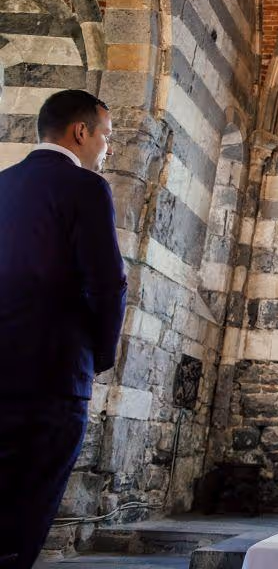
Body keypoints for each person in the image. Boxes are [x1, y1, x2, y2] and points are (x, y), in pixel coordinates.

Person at [0, 90, 127, 568]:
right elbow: (107, 282)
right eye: (106, 136)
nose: (106, 148)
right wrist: (98, 354)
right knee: (25, 513)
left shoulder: (3, 184)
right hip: (51, 377)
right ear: (81, 132)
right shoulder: (85, 188)